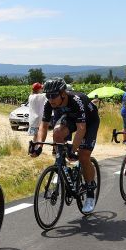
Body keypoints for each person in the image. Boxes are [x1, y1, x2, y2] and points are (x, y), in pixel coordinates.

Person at [29, 78, 100, 213]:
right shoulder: (49, 103)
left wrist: (73, 150)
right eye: (48, 96)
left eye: (54, 95)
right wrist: (39, 146)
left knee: (83, 156)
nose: (51, 99)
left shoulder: (76, 100)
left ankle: (90, 191)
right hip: (72, 119)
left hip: (89, 122)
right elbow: (43, 126)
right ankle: (61, 167)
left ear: (63, 93)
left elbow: (81, 129)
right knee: (57, 133)